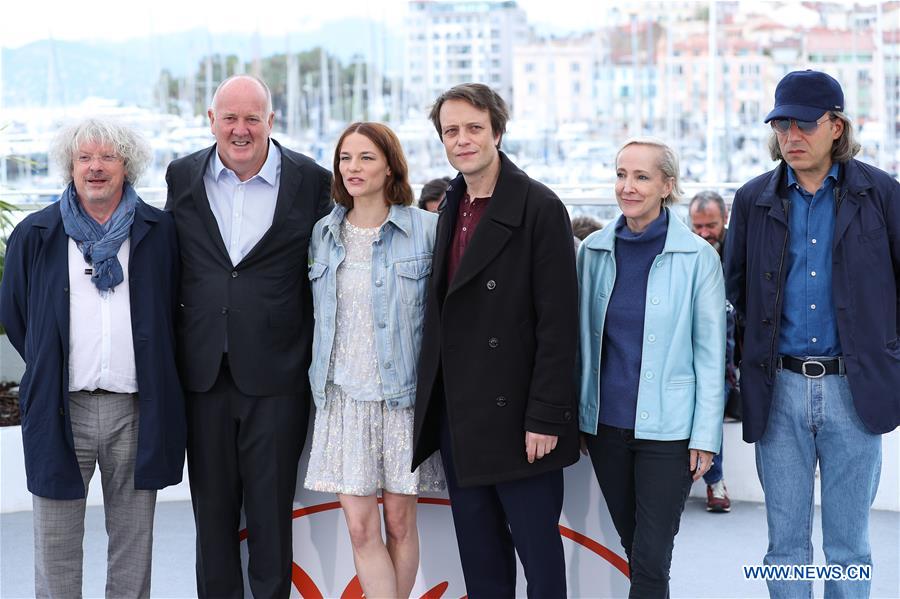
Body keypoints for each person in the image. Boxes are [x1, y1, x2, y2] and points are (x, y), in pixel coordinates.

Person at [725, 69, 900, 598]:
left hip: (855, 390)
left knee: (849, 547)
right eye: (782, 125)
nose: (791, 136)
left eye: (804, 124)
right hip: (778, 390)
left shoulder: (883, 195)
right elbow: (736, 294)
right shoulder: (752, 200)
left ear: (836, 127)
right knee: (785, 547)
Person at [0, 118, 186, 597]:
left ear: (128, 167)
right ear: (71, 166)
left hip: (136, 409)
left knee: (133, 547)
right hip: (61, 408)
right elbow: (17, 316)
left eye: (108, 157)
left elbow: (176, 309)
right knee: (55, 546)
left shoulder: (159, 232)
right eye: (84, 158)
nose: (95, 167)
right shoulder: (36, 234)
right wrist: (49, 359)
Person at [165, 74, 333, 598]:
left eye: (252, 119)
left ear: (271, 121)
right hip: (203, 373)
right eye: (230, 118)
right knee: (211, 517)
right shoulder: (182, 175)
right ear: (211, 120)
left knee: (271, 516)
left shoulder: (312, 180)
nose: (241, 130)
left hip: (279, 374)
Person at [411, 83, 579, 598]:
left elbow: (558, 323)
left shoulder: (540, 207)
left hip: (521, 419)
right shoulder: (451, 203)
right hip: (462, 419)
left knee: (540, 562)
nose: (462, 140)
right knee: (481, 563)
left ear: (497, 132)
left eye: (473, 128)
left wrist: (545, 416)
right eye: (451, 131)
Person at [576, 137, 725, 598]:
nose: (628, 186)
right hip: (605, 427)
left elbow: (711, 355)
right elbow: (579, 343)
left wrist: (706, 436)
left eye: (642, 176)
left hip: (670, 430)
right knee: (635, 549)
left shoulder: (698, 257)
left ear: (667, 186)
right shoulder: (592, 251)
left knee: (652, 557)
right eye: (622, 174)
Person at [303, 122, 444, 597]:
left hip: (401, 399)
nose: (353, 168)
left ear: (389, 166)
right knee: (361, 529)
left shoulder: (425, 230)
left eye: (366, 157)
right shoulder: (323, 234)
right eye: (345, 158)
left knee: (400, 524)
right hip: (342, 397)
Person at [689, 190, 735, 513]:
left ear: (725, 219)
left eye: (711, 226)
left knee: (712, 398)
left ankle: (714, 480)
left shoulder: (739, 252)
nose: (705, 233)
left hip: (730, 361)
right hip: (691, 354)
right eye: (698, 226)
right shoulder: (686, 252)